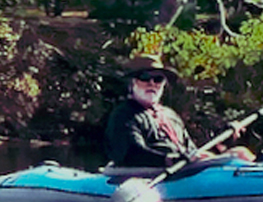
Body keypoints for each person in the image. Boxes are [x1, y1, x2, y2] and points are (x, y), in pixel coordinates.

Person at [104, 55, 252, 167]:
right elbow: (132, 154)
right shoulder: (123, 115)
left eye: (158, 79)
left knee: (240, 152)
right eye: (145, 77)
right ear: (133, 82)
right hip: (157, 171)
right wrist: (170, 159)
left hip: (184, 167)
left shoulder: (170, 115)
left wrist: (225, 139)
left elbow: (191, 150)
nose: (152, 83)